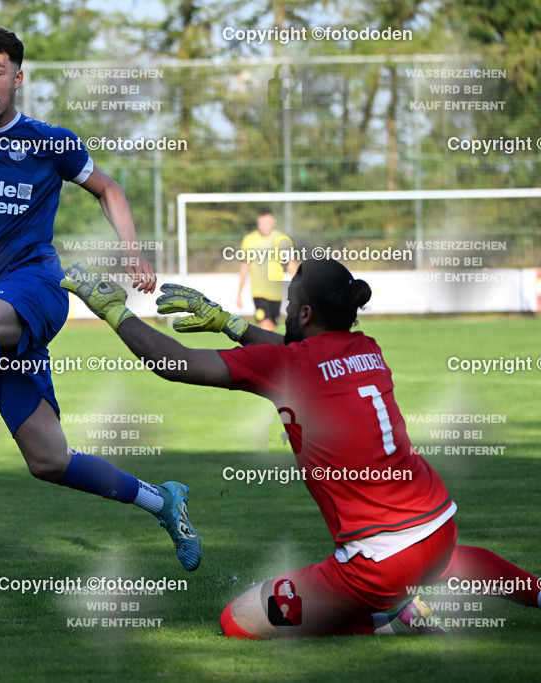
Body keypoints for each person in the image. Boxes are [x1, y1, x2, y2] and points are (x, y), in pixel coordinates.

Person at [62, 258, 541, 637]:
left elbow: (174, 363)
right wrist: (229, 323)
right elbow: (298, 355)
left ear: (306, 313)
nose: (286, 312)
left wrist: (113, 311)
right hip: (439, 527)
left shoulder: (289, 366)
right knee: (442, 560)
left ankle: (388, 617)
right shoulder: (365, 348)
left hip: (376, 565)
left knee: (239, 621)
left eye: (291, 306)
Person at [0, 27, 201, 571]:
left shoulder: (49, 141)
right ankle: (162, 501)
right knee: (48, 460)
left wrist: (132, 252)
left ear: (17, 76)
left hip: (37, 286)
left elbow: (109, 188)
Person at [236, 208, 297, 331]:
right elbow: (245, 266)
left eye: (267, 223)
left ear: (273, 221)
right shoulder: (249, 240)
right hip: (258, 291)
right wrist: (239, 293)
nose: (264, 227)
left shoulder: (282, 239)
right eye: (261, 223)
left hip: (276, 293)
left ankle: (267, 350)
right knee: (265, 325)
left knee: (272, 328)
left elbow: (291, 264)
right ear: (257, 223)